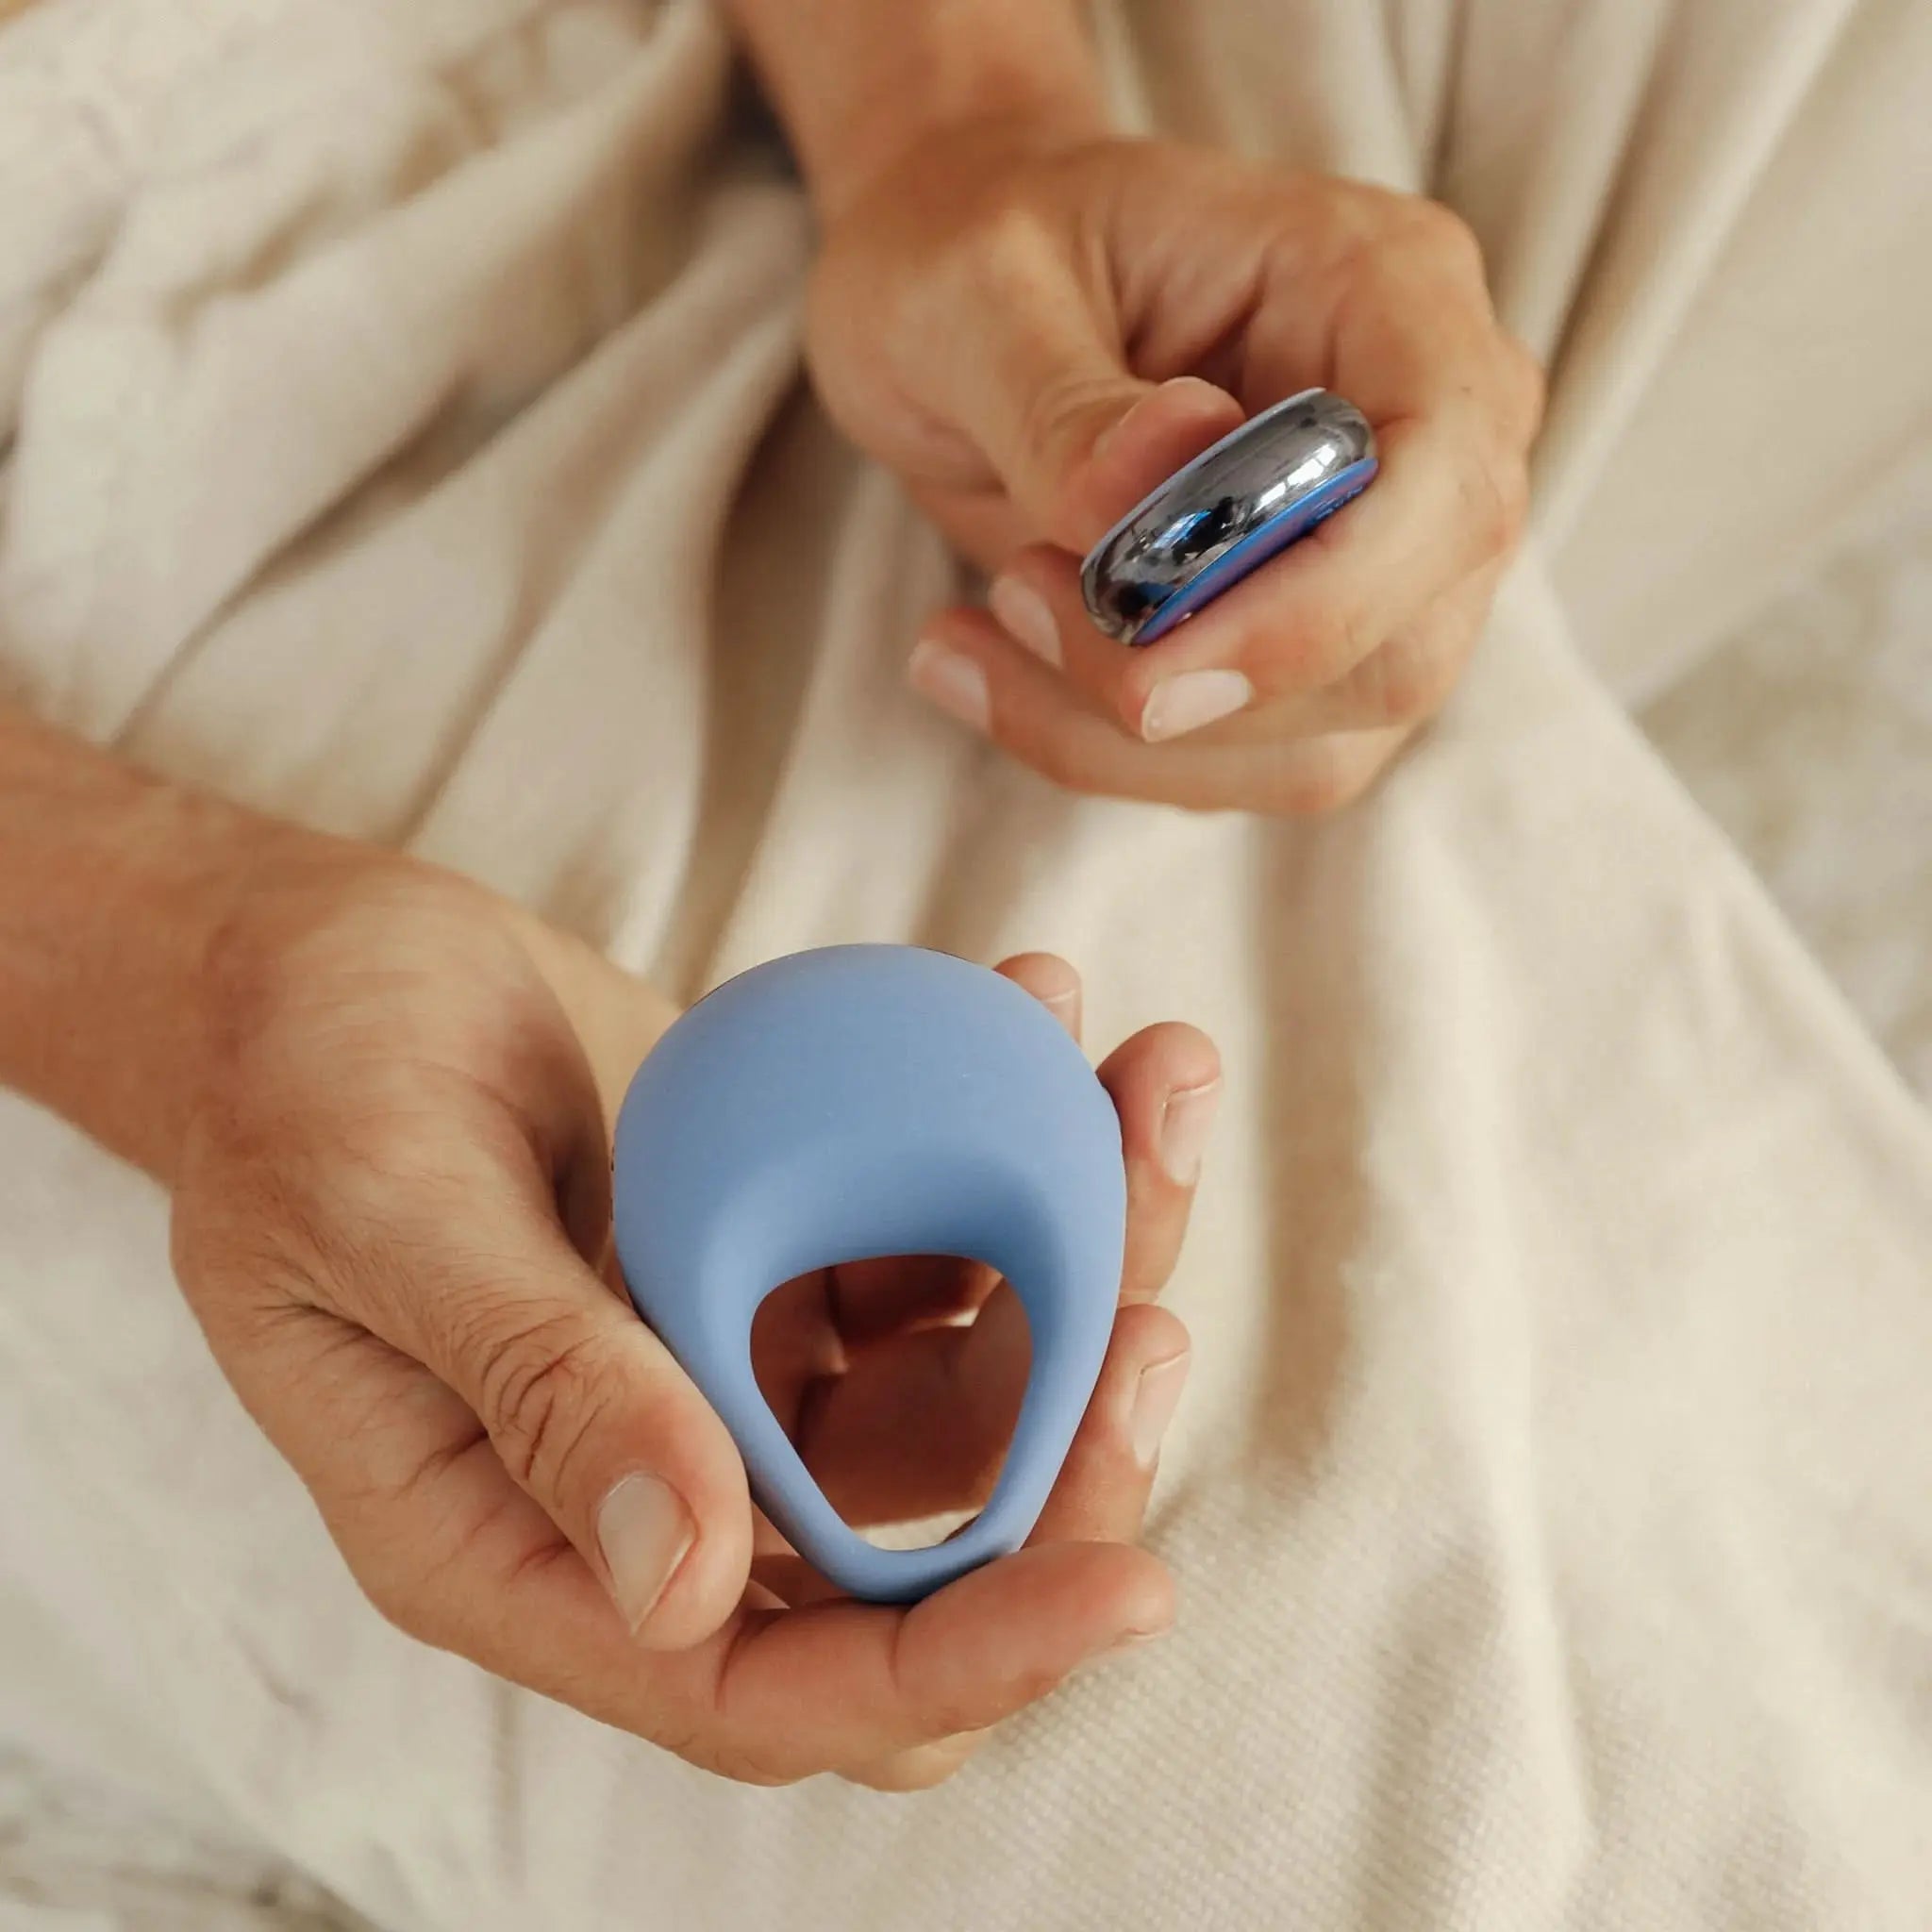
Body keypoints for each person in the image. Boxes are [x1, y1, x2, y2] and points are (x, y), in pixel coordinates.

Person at [1, 0, 1928, 1925]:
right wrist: (188, 963)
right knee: (1423, 1794)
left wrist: (953, 124)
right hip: (126, 631)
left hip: (707, 97)